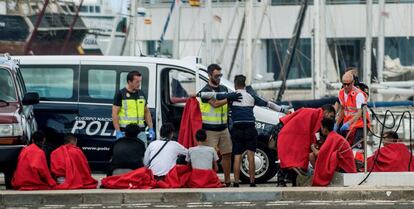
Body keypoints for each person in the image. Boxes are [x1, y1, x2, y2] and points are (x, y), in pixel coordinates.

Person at [230, 75, 289, 187]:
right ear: (244, 85)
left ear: (235, 84)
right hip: (250, 128)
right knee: (251, 155)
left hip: (237, 128)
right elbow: (269, 104)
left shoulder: (232, 97)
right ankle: (252, 182)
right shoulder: (251, 96)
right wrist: (284, 110)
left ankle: (236, 182)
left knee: (237, 156)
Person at [197, 64, 239, 186]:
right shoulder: (205, 91)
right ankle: (211, 180)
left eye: (220, 75)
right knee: (209, 157)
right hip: (210, 129)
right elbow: (215, 104)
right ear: (209, 75)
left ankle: (227, 181)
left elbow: (227, 105)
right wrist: (230, 98)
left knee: (227, 154)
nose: (219, 78)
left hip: (223, 128)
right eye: (216, 75)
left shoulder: (224, 89)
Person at [276, 104, 336, 187]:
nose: (331, 119)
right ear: (326, 112)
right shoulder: (316, 115)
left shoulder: (315, 114)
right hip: (290, 134)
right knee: (290, 160)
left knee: (292, 160)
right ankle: (282, 182)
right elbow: (315, 133)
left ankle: (290, 182)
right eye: (331, 116)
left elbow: (315, 132)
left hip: (291, 133)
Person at [112, 70, 154, 145]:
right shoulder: (121, 94)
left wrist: (151, 127)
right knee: (126, 154)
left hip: (140, 132)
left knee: (142, 154)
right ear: (129, 82)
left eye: (140, 81)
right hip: (126, 132)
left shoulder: (141, 93)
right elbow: (115, 114)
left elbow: (146, 112)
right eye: (137, 82)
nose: (139, 84)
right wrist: (118, 131)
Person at [312, 118, 356, 186]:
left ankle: (319, 177)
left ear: (325, 129)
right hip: (347, 166)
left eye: (321, 127)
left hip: (346, 169)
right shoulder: (334, 136)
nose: (321, 129)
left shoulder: (332, 137)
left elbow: (319, 154)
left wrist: (312, 147)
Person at [335, 72, 370, 150]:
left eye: (348, 84)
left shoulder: (358, 95)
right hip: (349, 125)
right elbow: (342, 110)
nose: (346, 86)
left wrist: (348, 123)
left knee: (357, 148)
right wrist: (337, 124)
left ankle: (359, 161)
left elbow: (360, 112)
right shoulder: (341, 93)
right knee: (344, 147)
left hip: (360, 124)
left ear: (353, 82)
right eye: (344, 84)